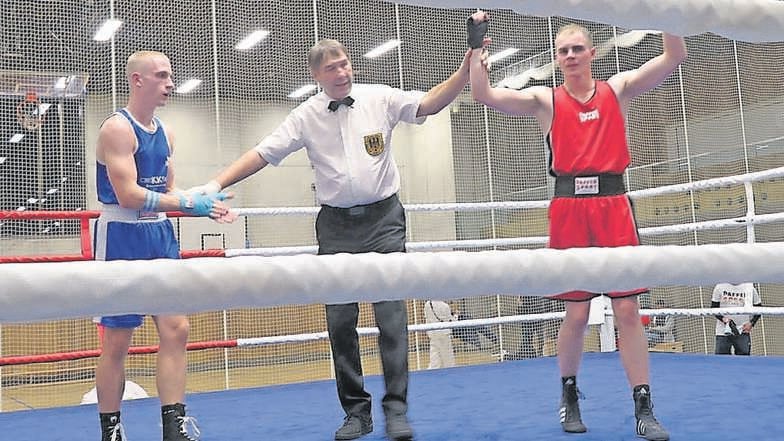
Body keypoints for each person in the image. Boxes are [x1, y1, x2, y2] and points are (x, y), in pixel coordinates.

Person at [189, 39, 471, 441]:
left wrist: (464, 68)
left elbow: (429, 104)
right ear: (316, 76)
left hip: (385, 219)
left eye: (344, 65)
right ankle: (357, 413)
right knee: (341, 323)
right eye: (331, 69)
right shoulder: (306, 115)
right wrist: (214, 183)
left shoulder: (381, 97)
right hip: (336, 226)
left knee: (392, 317)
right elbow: (262, 153)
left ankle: (397, 409)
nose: (341, 73)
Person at [467, 11, 687, 441]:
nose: (570, 56)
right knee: (577, 311)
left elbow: (672, 56)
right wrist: (477, 47)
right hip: (568, 207)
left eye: (576, 49)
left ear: (590, 53)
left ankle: (644, 405)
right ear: (557, 56)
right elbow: (483, 96)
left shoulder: (617, 88)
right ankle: (568, 394)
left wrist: (670, 11)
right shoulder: (544, 100)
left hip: (613, 204)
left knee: (627, 308)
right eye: (562, 50)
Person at [94, 50, 233, 441]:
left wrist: (206, 207)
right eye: (162, 75)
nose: (170, 83)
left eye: (171, 75)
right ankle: (113, 432)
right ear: (138, 80)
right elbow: (128, 195)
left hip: (159, 235)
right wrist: (186, 203)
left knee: (176, 329)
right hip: (121, 236)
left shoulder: (166, 133)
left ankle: (174, 428)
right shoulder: (116, 129)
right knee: (118, 341)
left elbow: (169, 192)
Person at [711, 282, 762, 355]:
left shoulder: (749, 287)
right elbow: (713, 308)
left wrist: (751, 323)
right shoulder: (720, 286)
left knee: (743, 361)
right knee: (721, 361)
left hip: (743, 331)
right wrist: (723, 319)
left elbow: (759, 308)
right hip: (723, 332)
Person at [423, 300, 458, 369]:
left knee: (434, 358)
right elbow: (451, 321)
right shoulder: (445, 306)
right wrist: (456, 315)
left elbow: (427, 319)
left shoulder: (427, 304)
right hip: (444, 334)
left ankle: (431, 373)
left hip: (432, 334)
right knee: (448, 359)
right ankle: (450, 374)